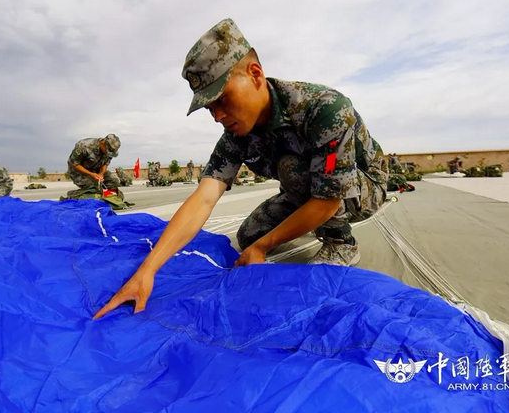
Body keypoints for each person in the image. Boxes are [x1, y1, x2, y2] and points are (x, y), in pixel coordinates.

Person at [93, 18, 387, 318]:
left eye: (222, 99)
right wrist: (147, 270)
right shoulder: (236, 135)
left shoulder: (324, 108)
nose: (217, 116)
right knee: (249, 237)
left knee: (290, 175)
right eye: (210, 107)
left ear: (255, 74)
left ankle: (342, 242)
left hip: (363, 189)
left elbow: (328, 199)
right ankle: (307, 223)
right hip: (305, 192)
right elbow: (204, 198)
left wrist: (264, 247)